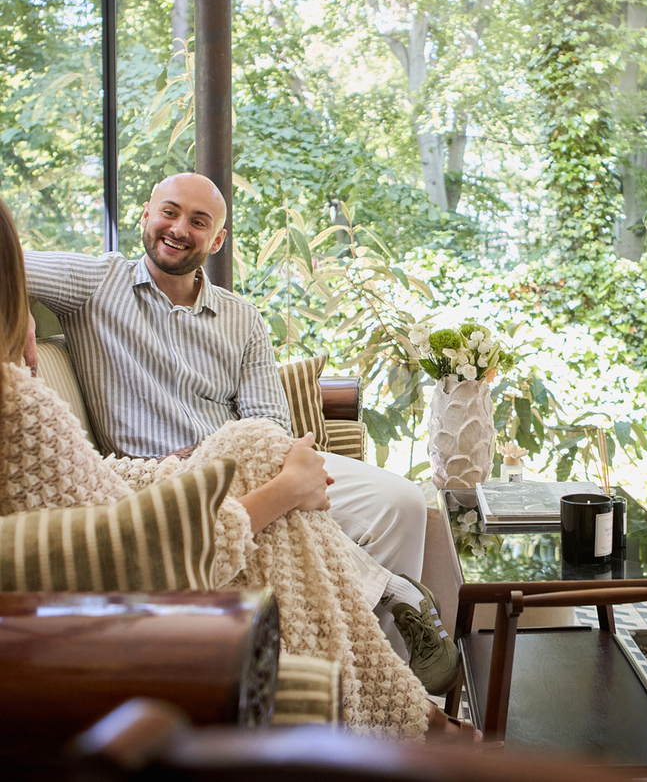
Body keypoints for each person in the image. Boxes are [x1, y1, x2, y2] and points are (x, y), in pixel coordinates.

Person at [0, 195, 479, 743]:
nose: (179, 229)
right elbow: (15, 263)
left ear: (218, 240)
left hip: (234, 454)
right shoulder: (96, 283)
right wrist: (21, 328)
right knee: (267, 474)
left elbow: (270, 418)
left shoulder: (240, 316)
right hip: (163, 471)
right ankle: (399, 673)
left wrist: (268, 455)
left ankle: (392, 673)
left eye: (198, 221)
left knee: (400, 501)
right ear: (144, 217)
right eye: (169, 212)